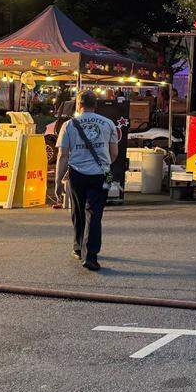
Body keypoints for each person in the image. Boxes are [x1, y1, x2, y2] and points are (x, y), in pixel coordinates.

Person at [54, 90, 119, 271]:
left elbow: (62, 155)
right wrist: (103, 164)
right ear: (95, 104)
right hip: (101, 174)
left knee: (78, 211)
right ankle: (91, 255)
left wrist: (58, 181)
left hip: (77, 173)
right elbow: (114, 153)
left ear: (78, 104)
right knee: (94, 213)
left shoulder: (69, 125)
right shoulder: (108, 124)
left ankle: (77, 247)